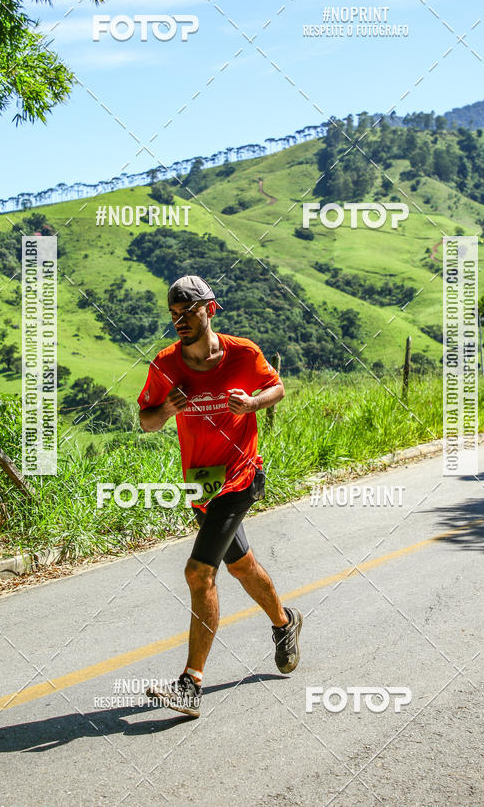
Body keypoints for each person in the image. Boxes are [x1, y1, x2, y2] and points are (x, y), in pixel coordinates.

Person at [138, 274, 302, 718]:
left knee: (198, 573)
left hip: (240, 476)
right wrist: (167, 408)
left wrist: (251, 404)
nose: (179, 322)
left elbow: (277, 388)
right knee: (242, 567)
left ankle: (190, 684)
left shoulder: (243, 352)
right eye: (173, 315)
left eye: (187, 312)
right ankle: (285, 623)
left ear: (210, 309)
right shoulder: (165, 364)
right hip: (201, 485)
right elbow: (146, 421)